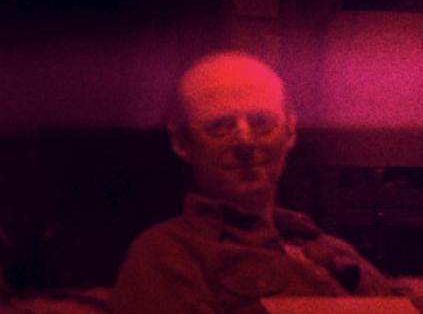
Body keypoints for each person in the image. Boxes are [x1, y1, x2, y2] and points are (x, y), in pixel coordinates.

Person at [110, 52, 390, 314]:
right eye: (219, 126)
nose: (245, 141)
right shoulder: (168, 252)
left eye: (260, 122)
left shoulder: (332, 248)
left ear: (290, 130)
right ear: (182, 142)